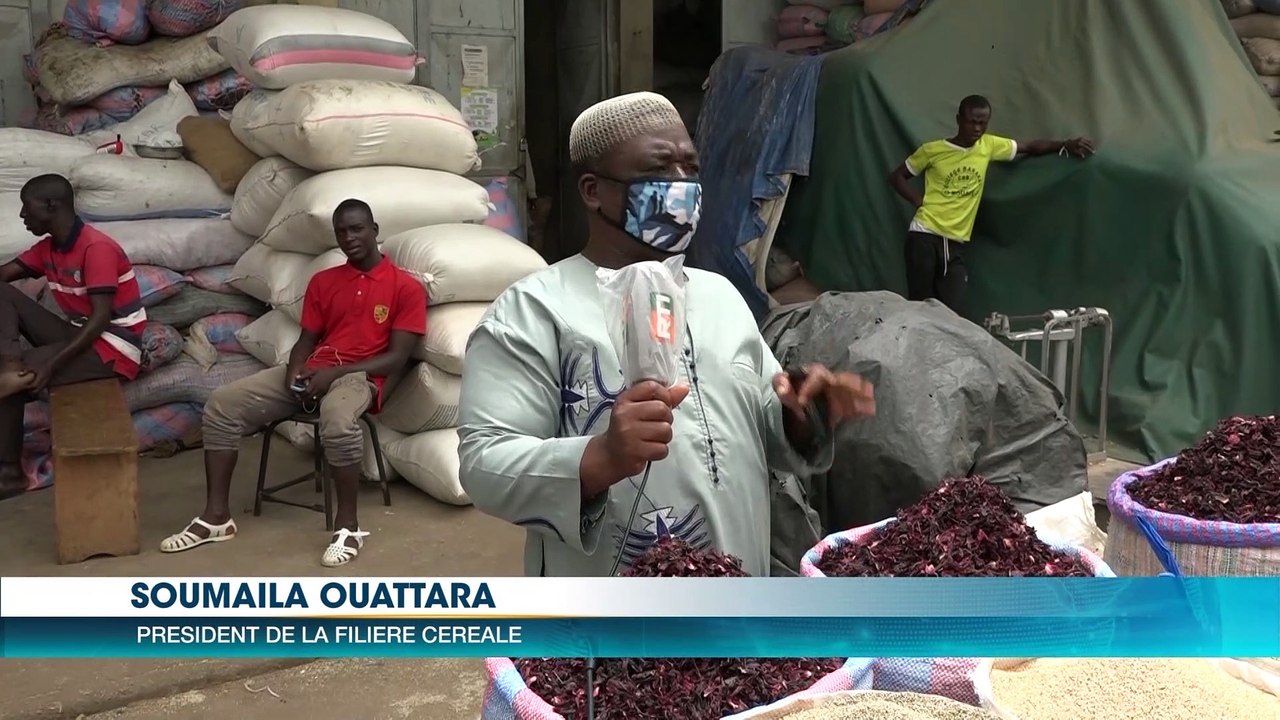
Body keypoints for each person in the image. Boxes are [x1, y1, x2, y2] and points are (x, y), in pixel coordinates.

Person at [457, 91, 877, 578]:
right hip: (612, 627)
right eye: (660, 170)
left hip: (737, 604)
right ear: (593, 190)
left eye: (691, 170)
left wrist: (803, 414)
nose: (682, 188)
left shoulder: (719, 297)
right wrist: (599, 457)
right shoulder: (534, 311)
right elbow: (484, 464)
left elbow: (765, 431)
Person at [160, 199, 426, 567]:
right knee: (222, 405)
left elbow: (397, 358)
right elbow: (307, 339)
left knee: (337, 422)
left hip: (361, 376)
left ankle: (348, 528)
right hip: (315, 370)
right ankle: (216, 518)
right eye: (342, 231)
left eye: (357, 229)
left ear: (375, 230)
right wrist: (295, 368)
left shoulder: (405, 288)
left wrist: (334, 375)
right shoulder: (325, 281)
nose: (349, 237)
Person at [0, 174, 146, 499]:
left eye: (27, 208)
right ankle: (9, 366)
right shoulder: (49, 248)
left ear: (52, 205)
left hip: (112, 348)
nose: (23, 216)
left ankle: (9, 474)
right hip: (82, 336)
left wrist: (51, 366)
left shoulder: (97, 248)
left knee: (23, 374)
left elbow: (99, 321)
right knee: (3, 303)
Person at [888, 94, 1095, 317]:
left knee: (954, 312)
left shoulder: (988, 146)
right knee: (918, 308)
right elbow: (897, 177)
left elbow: (1029, 147)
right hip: (924, 236)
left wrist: (1065, 144)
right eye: (972, 122)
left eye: (982, 123)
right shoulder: (932, 150)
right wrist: (917, 200)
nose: (977, 128)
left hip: (955, 243)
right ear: (959, 119)